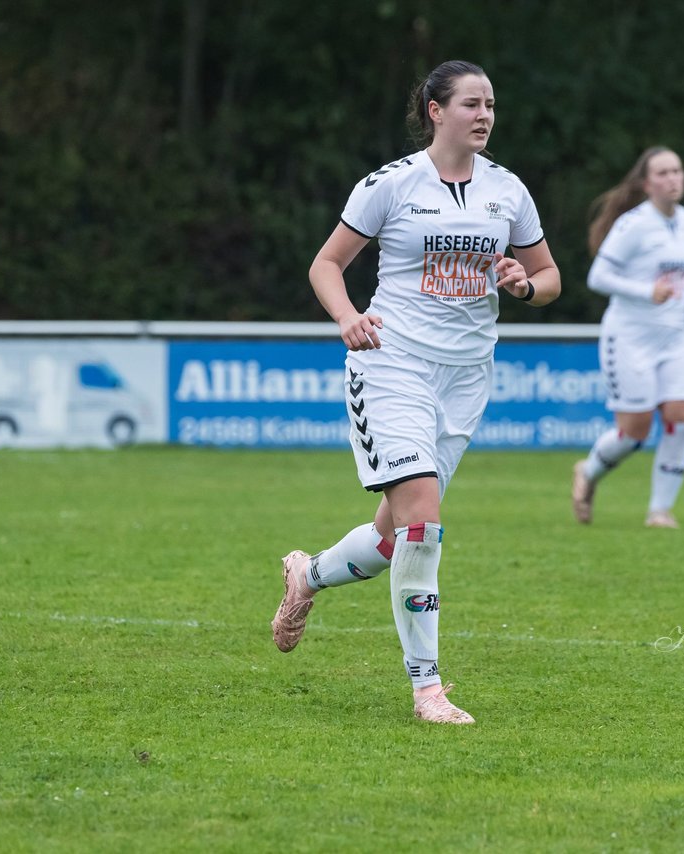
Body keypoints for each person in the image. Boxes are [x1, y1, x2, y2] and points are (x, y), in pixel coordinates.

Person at [270, 60, 560, 724]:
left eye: (490, 104)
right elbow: (326, 264)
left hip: (465, 379)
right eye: (470, 104)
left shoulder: (508, 190)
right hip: (392, 363)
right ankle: (427, 688)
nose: (484, 115)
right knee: (422, 521)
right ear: (435, 110)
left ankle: (307, 575)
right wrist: (347, 318)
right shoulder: (392, 184)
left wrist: (523, 284)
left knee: (395, 537)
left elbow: (549, 278)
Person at [571, 146, 684, 528]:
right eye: (663, 173)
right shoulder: (632, 225)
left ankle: (660, 510)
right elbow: (598, 278)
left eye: (678, 170)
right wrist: (646, 291)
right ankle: (588, 472)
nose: (673, 178)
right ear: (646, 183)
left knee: (680, 418)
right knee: (634, 430)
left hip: (675, 337)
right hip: (629, 337)